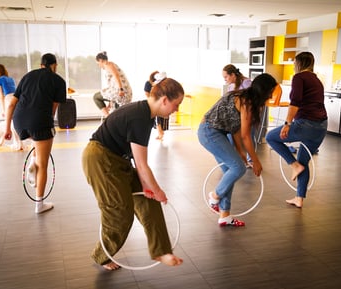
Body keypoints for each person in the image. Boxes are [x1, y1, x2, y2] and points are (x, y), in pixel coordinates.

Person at [81, 75, 184, 271]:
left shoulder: (145, 114)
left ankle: (161, 251)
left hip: (117, 160)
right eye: (176, 104)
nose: (176, 109)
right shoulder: (140, 117)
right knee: (119, 212)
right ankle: (101, 255)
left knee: (149, 199)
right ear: (164, 100)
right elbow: (142, 165)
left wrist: (149, 188)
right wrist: (159, 190)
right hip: (100, 160)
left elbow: (139, 164)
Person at [198, 73, 279, 227]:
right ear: (264, 91)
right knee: (238, 168)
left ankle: (225, 215)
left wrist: (240, 152)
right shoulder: (246, 102)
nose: (271, 95)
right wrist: (255, 161)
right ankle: (214, 196)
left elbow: (235, 128)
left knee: (231, 171)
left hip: (218, 132)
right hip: (209, 132)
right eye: (270, 92)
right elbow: (246, 135)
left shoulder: (243, 96)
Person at [4, 53, 66, 214]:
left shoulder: (28, 76)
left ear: (41, 65)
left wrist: (7, 129)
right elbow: (52, 111)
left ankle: (33, 162)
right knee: (44, 163)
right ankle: (39, 205)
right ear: (55, 65)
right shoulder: (58, 81)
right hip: (38, 121)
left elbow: (12, 103)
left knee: (35, 140)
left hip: (18, 120)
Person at [265, 51, 327, 209]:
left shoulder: (299, 77)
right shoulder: (316, 80)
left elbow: (295, 103)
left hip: (306, 123)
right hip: (321, 127)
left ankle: (293, 165)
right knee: (303, 161)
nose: (293, 66)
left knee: (271, 137)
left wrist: (287, 124)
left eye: (294, 63)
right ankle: (299, 198)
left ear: (298, 63)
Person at [0, 64, 22, 150]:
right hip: (16, 99)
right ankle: (4, 142)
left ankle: (17, 144)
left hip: (8, 99)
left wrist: (4, 109)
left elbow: (1, 95)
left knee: (9, 122)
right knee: (12, 121)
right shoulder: (10, 79)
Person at [93, 51, 132, 117]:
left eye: (98, 64)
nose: (99, 66)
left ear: (101, 60)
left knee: (96, 97)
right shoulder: (111, 65)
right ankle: (111, 119)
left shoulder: (108, 64)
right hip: (124, 93)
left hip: (122, 92)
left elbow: (116, 75)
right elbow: (114, 82)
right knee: (115, 112)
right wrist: (110, 100)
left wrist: (121, 89)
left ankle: (108, 118)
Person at [144, 71, 169, 140]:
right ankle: (160, 132)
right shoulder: (149, 83)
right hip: (154, 102)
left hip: (161, 102)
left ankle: (161, 132)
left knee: (161, 118)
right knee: (157, 118)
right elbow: (147, 93)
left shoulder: (161, 84)